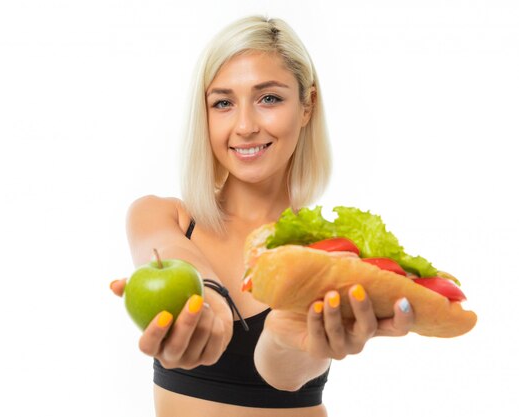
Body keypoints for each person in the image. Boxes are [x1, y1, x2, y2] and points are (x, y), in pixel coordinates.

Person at [110, 16, 414, 417]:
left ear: (307, 106)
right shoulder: (162, 216)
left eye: (268, 98)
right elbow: (172, 252)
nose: (246, 126)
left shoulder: (325, 254)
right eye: (223, 103)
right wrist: (209, 297)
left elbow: (285, 375)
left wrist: (296, 341)